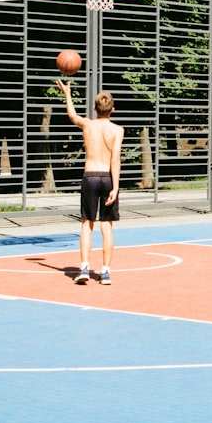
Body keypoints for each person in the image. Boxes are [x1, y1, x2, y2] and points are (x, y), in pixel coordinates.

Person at [57, 79, 125, 285]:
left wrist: (67, 93)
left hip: (90, 176)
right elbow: (115, 160)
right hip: (107, 177)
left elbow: (72, 115)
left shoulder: (88, 124)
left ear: (95, 108)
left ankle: (84, 268)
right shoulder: (117, 130)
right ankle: (105, 272)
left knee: (87, 224)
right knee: (107, 226)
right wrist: (116, 187)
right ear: (112, 109)